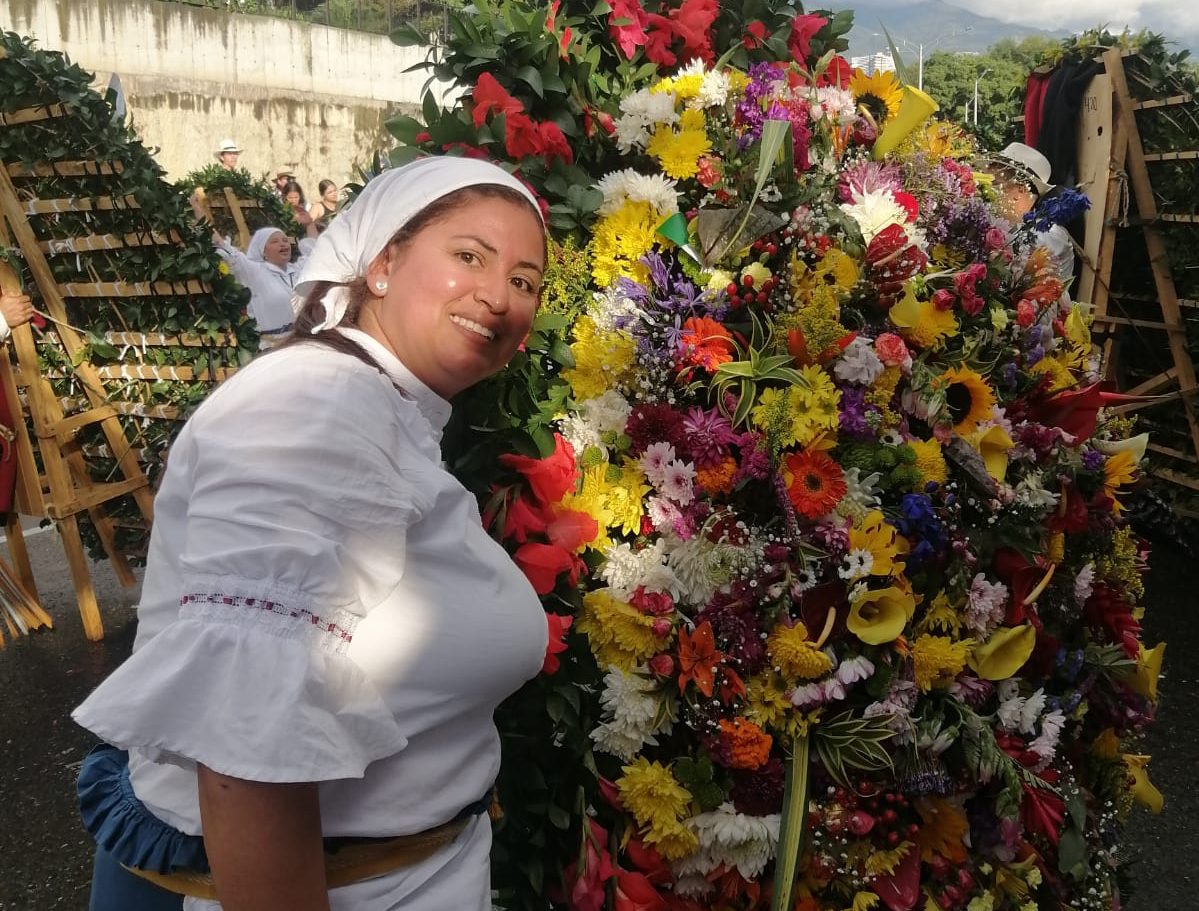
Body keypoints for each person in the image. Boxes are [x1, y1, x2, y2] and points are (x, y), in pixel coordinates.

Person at [72, 155, 550, 911]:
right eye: (469, 256)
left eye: (525, 282)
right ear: (384, 262)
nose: (497, 295)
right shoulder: (319, 402)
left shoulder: (383, 409)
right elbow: (245, 740)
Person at [211, 222, 317, 349]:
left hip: (306, 344)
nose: (283, 244)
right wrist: (197, 210)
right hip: (275, 349)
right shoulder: (255, 272)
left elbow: (316, 253)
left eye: (285, 240)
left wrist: (309, 223)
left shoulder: (297, 270)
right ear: (263, 251)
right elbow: (224, 248)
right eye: (275, 241)